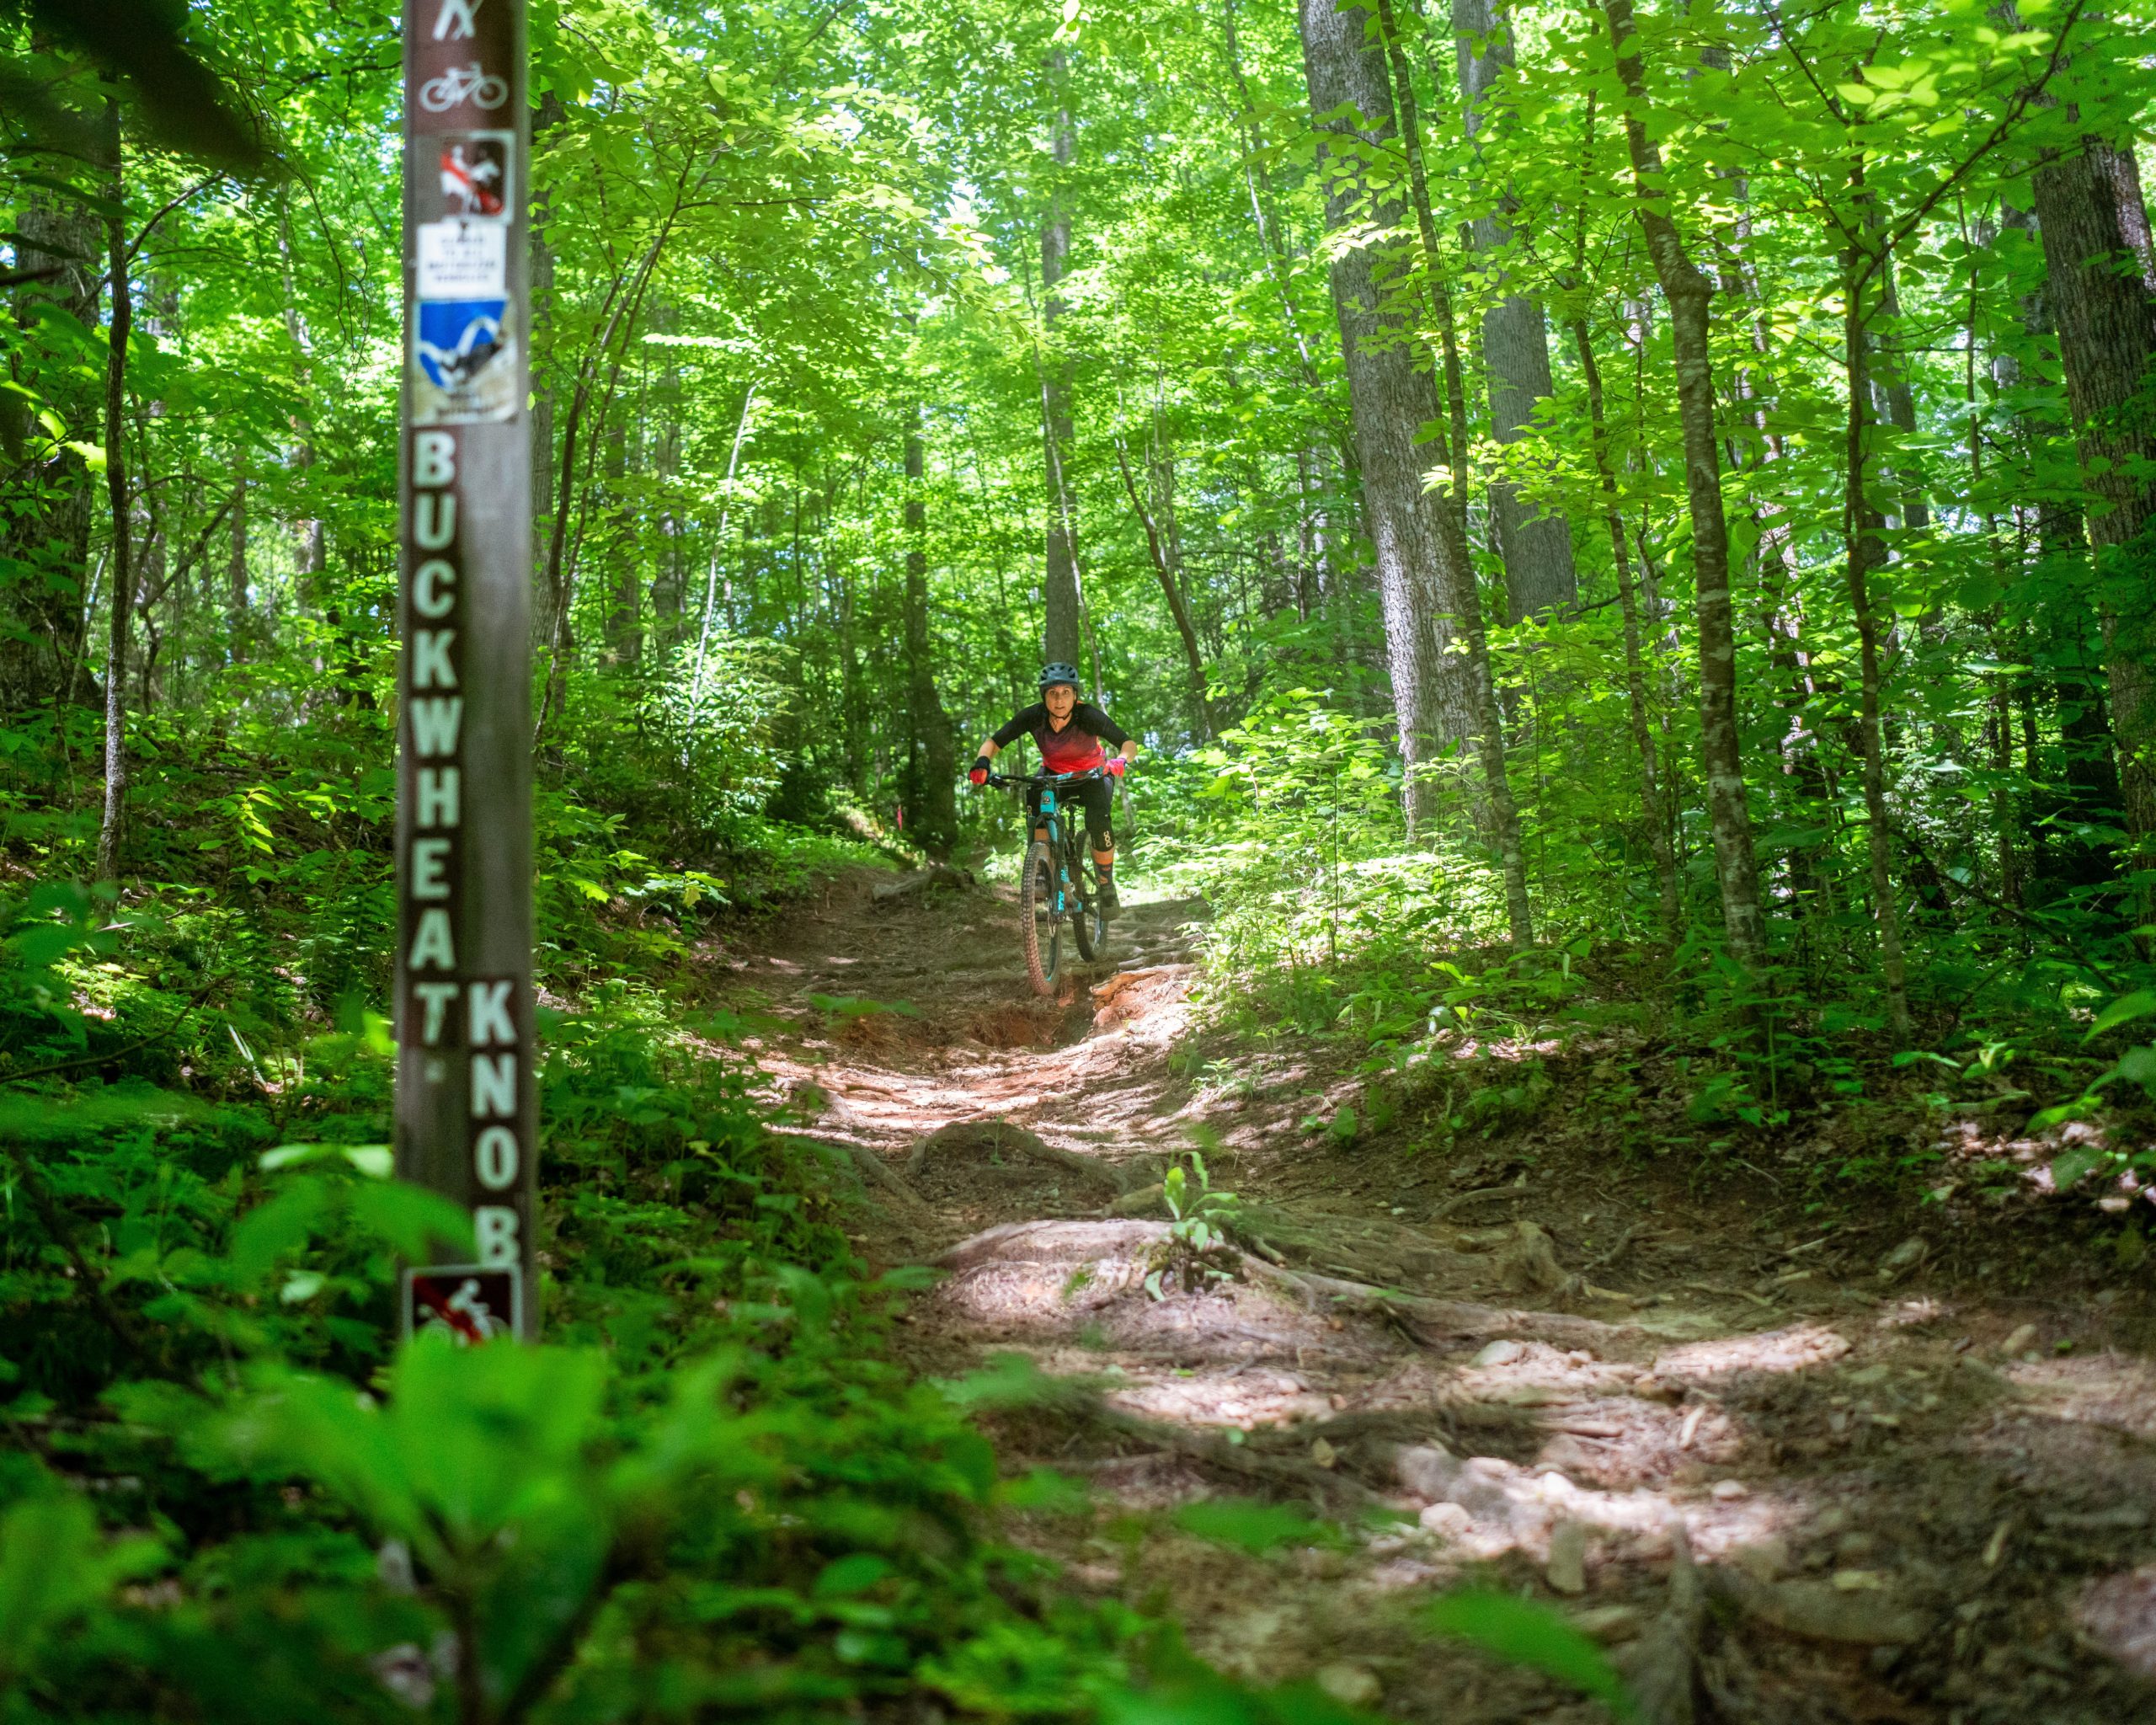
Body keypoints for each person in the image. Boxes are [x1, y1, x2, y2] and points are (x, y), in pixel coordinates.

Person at [969, 663, 1136, 915]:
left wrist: (1121, 760)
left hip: (1092, 774)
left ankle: (1105, 884)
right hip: (1054, 774)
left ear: (1075, 695)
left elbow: (1127, 742)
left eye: (1065, 692)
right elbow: (994, 741)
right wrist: (983, 762)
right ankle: (1041, 871)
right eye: (1052, 693)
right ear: (1044, 696)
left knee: (1098, 821)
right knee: (1036, 802)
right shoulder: (1033, 716)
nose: (1059, 699)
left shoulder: (1088, 716)